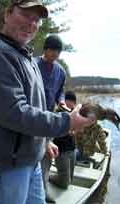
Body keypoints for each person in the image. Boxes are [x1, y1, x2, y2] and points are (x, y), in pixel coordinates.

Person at [0, 0, 95, 204]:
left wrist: (45, 142)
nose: (31, 23)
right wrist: (67, 121)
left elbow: (39, 104)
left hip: (32, 158)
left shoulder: (26, 58)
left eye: (37, 20)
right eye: (25, 15)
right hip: (10, 165)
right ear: (7, 14)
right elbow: (15, 113)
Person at [36, 35, 67, 203]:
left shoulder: (60, 71)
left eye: (58, 52)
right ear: (45, 49)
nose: (55, 55)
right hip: (30, 119)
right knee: (29, 155)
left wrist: (61, 100)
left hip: (49, 120)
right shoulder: (32, 64)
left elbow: (61, 90)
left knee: (47, 157)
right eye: (53, 50)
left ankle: (42, 190)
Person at [50, 91, 77, 189]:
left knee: (71, 179)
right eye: (68, 101)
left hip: (72, 149)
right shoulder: (57, 113)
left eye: (73, 102)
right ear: (64, 101)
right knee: (64, 183)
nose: (70, 104)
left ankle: (61, 177)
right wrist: (66, 130)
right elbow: (53, 131)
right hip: (61, 150)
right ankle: (49, 177)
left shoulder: (75, 113)